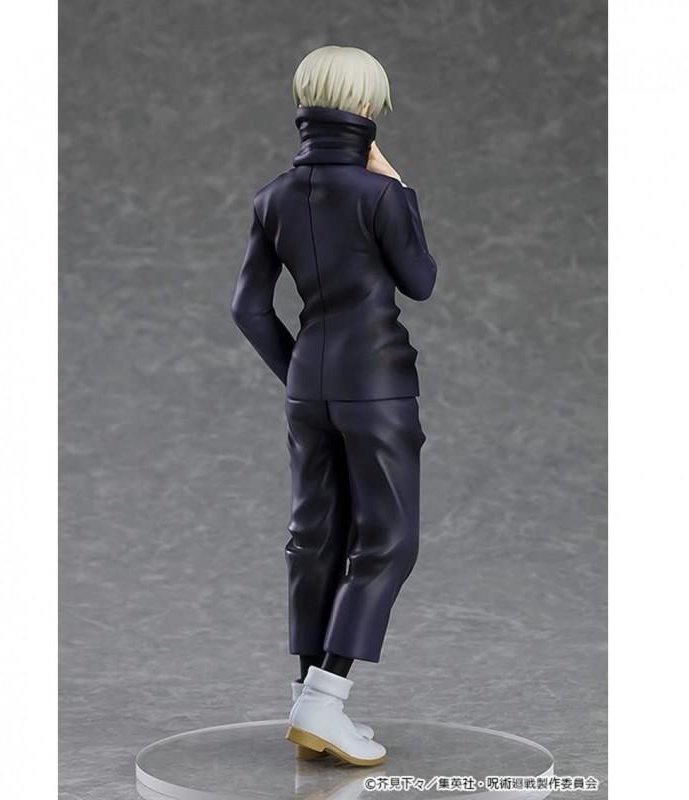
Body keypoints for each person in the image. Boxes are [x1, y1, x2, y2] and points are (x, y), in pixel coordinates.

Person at [231, 45, 437, 766]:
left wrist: (299, 374)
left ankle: (306, 699)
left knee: (314, 537)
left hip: (308, 386)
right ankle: (324, 700)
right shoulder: (379, 195)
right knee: (388, 540)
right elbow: (420, 280)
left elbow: (249, 308)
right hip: (376, 385)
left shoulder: (273, 197)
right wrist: (401, 188)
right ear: (368, 108)